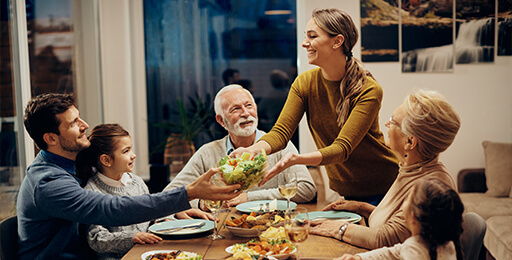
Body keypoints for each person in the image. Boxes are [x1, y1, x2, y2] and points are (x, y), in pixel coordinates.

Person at [17, 93, 241, 260]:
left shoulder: (72, 165)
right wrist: (188, 193)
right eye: (74, 123)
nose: (85, 125)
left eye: (79, 118)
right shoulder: (48, 183)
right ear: (51, 138)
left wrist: (172, 210)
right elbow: (112, 209)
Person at [231, 8, 398, 205]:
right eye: (306, 36)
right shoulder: (305, 83)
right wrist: (256, 149)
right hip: (347, 188)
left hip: (385, 187)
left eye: (312, 36)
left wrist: (297, 159)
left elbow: (342, 148)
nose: (304, 43)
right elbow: (281, 132)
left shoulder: (369, 89)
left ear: (337, 41)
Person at [309, 89, 461, 250]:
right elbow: (400, 223)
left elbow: (385, 238)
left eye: (393, 121)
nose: (387, 124)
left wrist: (337, 228)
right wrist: (361, 207)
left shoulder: (430, 186)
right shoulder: (412, 168)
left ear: (410, 142)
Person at [164, 84, 316, 208]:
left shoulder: (280, 146)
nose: (245, 113)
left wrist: (249, 197)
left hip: (272, 229)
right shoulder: (207, 153)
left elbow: (307, 190)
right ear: (221, 121)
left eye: (249, 106)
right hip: (222, 233)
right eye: (236, 109)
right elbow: (170, 195)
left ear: (256, 109)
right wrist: (201, 203)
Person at [75, 124, 178, 259]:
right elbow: (97, 239)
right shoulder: (91, 192)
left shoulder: (137, 182)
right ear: (106, 160)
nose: (133, 155)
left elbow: (152, 213)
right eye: (126, 151)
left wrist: (162, 220)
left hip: (148, 254)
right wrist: (133, 238)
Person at [336, 178, 464, 260]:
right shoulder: (448, 244)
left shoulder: (414, 250)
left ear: (413, 216)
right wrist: (359, 258)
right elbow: (391, 253)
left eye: (407, 200)